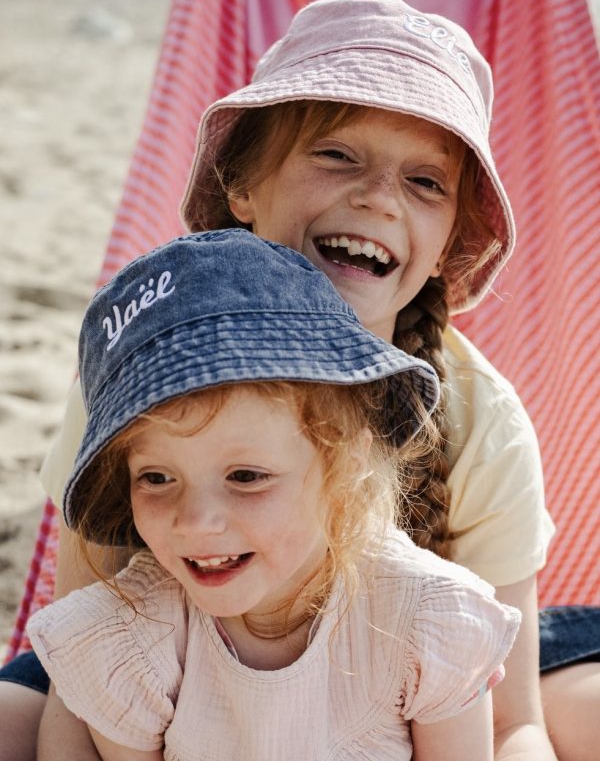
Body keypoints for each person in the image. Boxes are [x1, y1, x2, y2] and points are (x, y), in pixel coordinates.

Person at [1, 0, 598, 761]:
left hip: (420, 680)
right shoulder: (148, 367)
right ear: (244, 187)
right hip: (181, 666)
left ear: (451, 239)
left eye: (425, 183)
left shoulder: (480, 418)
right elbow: (86, 667)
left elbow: (512, 719)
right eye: (337, 155)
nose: (378, 196)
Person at [27, 228, 521, 760]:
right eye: (157, 478)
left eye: (245, 477)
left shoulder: (423, 624)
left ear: (345, 459)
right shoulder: (134, 641)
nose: (196, 522)